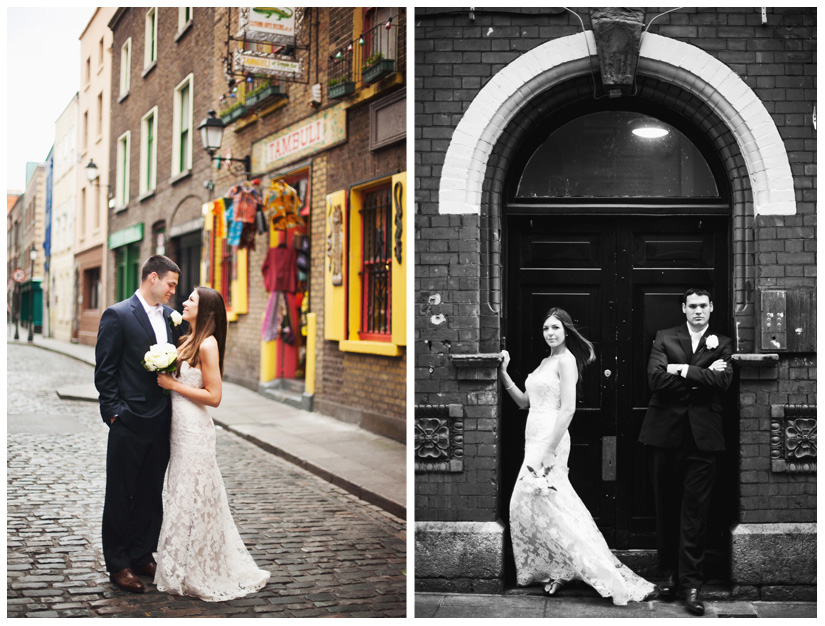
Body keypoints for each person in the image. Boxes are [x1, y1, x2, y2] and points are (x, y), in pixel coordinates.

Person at [500, 308, 655, 605]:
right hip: (532, 437)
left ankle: (593, 569)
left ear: (566, 331)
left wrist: (548, 450)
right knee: (541, 507)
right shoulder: (545, 361)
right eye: (546, 328)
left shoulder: (567, 361)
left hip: (551, 439)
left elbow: (568, 409)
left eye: (555, 328)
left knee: (545, 503)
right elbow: (523, 402)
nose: (550, 333)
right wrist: (503, 372)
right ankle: (557, 570)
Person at [154, 286, 270, 601]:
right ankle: (183, 562)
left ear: (204, 309)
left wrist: (173, 383)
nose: (184, 301)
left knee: (193, 496)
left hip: (195, 430)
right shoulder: (187, 339)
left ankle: (201, 568)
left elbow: (215, 397)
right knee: (180, 493)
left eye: (191, 299)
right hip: (178, 429)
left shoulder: (207, 345)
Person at [639, 288, 732, 616]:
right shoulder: (665, 337)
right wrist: (700, 377)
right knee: (666, 507)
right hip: (664, 436)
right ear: (683, 308)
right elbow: (654, 380)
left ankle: (692, 583)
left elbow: (722, 383)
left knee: (695, 513)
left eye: (703, 306)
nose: (697, 311)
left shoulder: (721, 342)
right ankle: (671, 576)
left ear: (711, 308)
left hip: (704, 439)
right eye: (692, 306)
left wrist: (680, 370)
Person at [94, 255, 182, 593]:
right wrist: (115, 413)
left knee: (149, 493)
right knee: (120, 494)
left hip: (161, 421)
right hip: (128, 421)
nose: (173, 291)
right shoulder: (118, 315)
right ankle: (118, 564)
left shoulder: (172, 319)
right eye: (171, 284)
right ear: (153, 278)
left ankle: (142, 553)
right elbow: (105, 370)